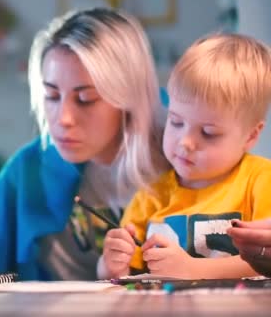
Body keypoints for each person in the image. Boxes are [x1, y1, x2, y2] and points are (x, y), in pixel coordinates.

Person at [0, 7, 169, 280]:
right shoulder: (31, 169)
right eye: (51, 96)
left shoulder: (185, 154)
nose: (64, 118)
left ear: (128, 95)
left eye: (85, 99)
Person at [102, 33, 271, 280]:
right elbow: (125, 275)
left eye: (208, 133)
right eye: (176, 121)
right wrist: (112, 264)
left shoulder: (260, 181)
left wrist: (194, 270)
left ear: (250, 136)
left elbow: (266, 262)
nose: (186, 142)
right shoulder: (151, 196)